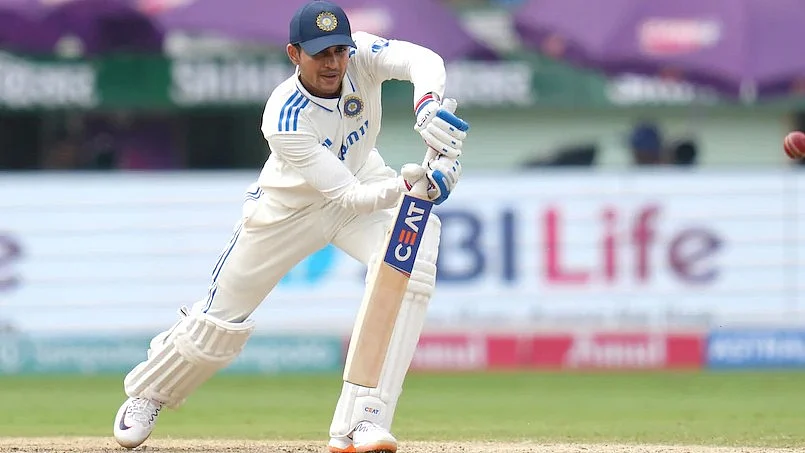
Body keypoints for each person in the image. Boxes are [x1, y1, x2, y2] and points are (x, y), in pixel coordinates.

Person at [112, 1, 468, 452]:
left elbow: (425, 60)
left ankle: (364, 419)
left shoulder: (361, 56)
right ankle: (150, 391)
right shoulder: (284, 115)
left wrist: (427, 106)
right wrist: (409, 186)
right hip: (287, 211)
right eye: (320, 54)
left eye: (339, 51)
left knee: (413, 252)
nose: (333, 63)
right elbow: (346, 197)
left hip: (362, 180)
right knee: (219, 322)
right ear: (294, 54)